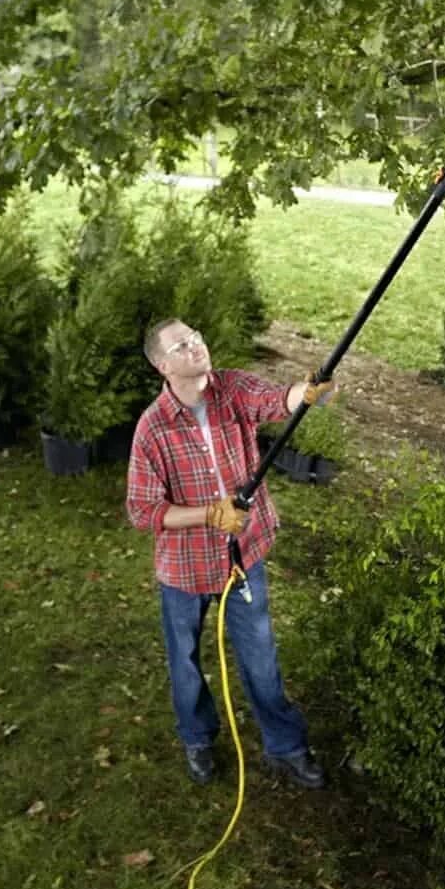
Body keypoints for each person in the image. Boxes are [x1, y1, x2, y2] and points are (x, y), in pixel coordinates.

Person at [126, 317, 335, 789]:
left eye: (196, 337)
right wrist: (207, 515)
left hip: (243, 556)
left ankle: (286, 747)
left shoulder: (232, 389)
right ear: (163, 365)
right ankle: (197, 738)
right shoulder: (153, 429)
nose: (196, 346)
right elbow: (142, 510)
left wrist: (304, 392)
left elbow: (273, 401)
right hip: (185, 568)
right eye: (181, 345)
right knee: (184, 661)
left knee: (260, 655)